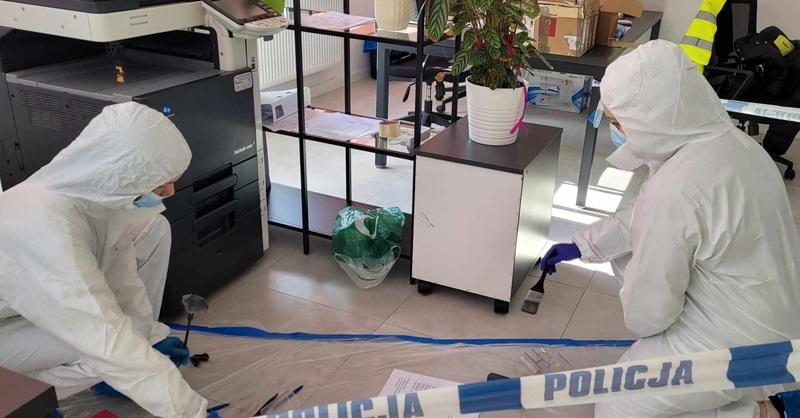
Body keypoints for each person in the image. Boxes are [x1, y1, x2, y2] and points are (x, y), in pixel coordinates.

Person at [541, 40, 800, 418]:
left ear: (652, 118)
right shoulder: (733, 145)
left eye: (618, 122)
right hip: (770, 319)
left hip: (733, 341)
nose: (616, 130)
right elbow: (646, 217)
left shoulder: (677, 188)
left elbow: (650, 314)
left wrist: (639, 311)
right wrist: (582, 244)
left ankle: (765, 412)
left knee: (617, 406)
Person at [0, 102, 215, 417]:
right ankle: (22, 402)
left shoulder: (96, 202)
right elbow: (103, 337)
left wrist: (151, 337)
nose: (169, 192)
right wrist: (191, 412)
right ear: (123, 173)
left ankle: (122, 374)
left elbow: (122, 279)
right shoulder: (44, 226)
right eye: (161, 184)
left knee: (126, 337)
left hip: (19, 314)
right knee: (97, 348)